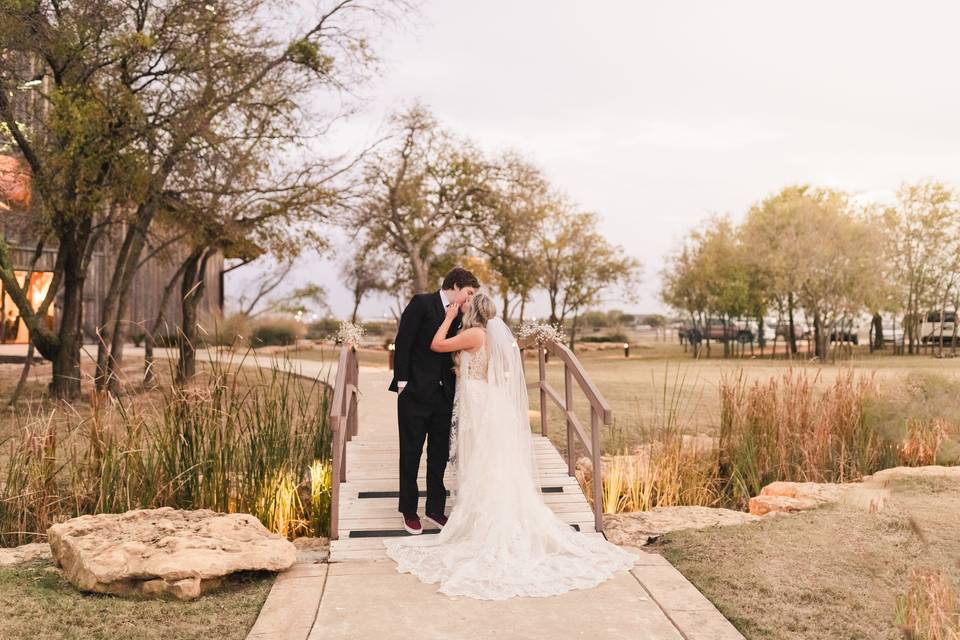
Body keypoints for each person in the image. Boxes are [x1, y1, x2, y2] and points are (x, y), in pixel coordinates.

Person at [384, 292, 636, 600]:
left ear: (472, 311)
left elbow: (437, 345)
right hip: (487, 400)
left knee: (482, 460)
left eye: (463, 305)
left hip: (478, 403)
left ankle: (485, 520)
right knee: (489, 461)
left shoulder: (473, 334)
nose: (458, 307)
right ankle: (483, 511)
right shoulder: (486, 334)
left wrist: (448, 319)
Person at [389, 267, 479, 535]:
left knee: (439, 454)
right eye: (469, 293)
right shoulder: (422, 303)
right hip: (415, 394)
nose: (470, 299)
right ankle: (408, 510)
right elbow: (403, 341)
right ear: (455, 286)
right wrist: (403, 383)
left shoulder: (463, 315)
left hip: (445, 396)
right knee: (411, 452)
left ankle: (435, 509)